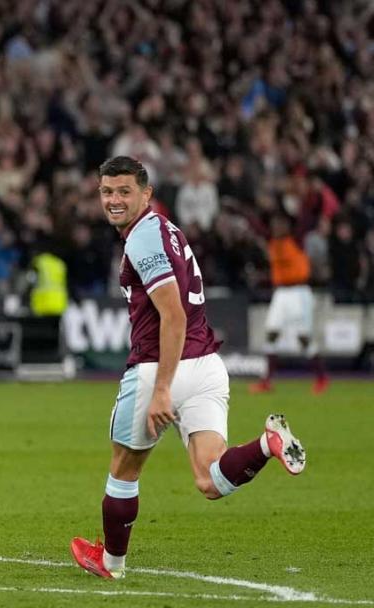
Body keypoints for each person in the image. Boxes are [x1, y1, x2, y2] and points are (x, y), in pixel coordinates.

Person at [70, 157, 306, 580]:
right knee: (210, 479)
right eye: (107, 192)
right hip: (207, 367)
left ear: (146, 194)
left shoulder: (142, 239)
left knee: (124, 469)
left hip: (161, 367)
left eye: (124, 191)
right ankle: (268, 445)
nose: (114, 200)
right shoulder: (169, 231)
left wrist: (162, 389)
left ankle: (111, 563)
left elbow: (172, 315)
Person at [250, 213, 329, 394]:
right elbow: (256, 227)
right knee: (271, 332)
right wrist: (241, 211)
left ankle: (321, 378)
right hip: (280, 293)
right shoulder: (272, 242)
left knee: (303, 337)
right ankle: (267, 381)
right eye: (275, 225)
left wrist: (316, 199)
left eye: (281, 225)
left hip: (298, 292)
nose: (277, 228)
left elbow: (309, 218)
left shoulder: (297, 240)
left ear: (288, 227)